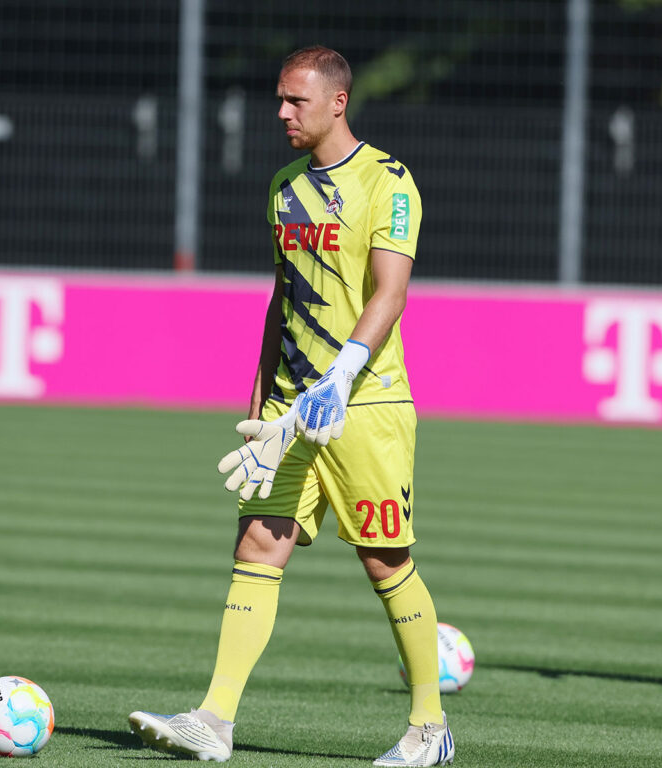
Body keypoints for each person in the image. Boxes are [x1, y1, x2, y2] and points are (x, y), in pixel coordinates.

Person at [129, 46, 454, 765]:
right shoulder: (282, 187)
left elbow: (389, 293)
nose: (281, 112)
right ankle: (214, 721)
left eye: (295, 101)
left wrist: (340, 376)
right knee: (257, 547)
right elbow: (281, 302)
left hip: (364, 403)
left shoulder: (389, 181)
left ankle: (431, 729)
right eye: (279, 99)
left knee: (384, 560)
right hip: (288, 411)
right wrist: (258, 408)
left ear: (338, 102)